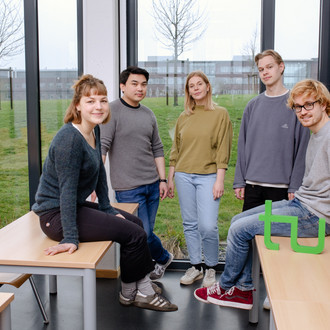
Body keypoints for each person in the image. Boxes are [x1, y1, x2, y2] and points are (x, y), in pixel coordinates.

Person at [32, 74, 177, 312]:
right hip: (55, 216)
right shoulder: (69, 139)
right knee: (134, 234)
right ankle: (142, 291)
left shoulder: (94, 130)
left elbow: (100, 171)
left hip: (72, 206)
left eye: (102, 100)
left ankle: (132, 290)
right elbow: (67, 192)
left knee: (136, 223)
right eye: (90, 101)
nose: (98, 106)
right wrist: (70, 237)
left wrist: (107, 208)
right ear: (77, 105)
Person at [194, 79, 330, 310]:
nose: (302, 112)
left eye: (309, 105)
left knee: (239, 229)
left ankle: (228, 288)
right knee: (238, 220)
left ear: (323, 104)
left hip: (316, 216)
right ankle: (244, 287)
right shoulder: (315, 133)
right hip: (303, 204)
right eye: (297, 107)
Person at [99, 66, 173, 281]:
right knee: (142, 234)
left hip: (152, 184)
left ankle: (152, 267)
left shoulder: (148, 114)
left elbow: (157, 148)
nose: (140, 88)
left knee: (146, 234)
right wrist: (96, 183)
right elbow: (102, 149)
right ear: (123, 86)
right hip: (128, 188)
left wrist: (162, 179)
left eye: (143, 84)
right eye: (134, 84)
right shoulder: (111, 112)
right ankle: (159, 261)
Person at [168, 71, 233, 288]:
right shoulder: (184, 116)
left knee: (208, 226)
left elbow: (223, 149)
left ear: (207, 87)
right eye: (191, 86)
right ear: (188, 91)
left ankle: (211, 267)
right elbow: (176, 149)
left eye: (199, 84)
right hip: (183, 175)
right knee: (190, 223)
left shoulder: (220, 114)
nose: (195, 88)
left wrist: (219, 180)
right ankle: (195, 266)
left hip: (209, 176)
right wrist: (170, 177)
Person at [234, 50, 310, 212]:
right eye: (261, 69)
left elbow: (302, 150)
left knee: (277, 236)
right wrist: (239, 181)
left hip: (282, 188)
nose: (265, 72)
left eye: (269, 67)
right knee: (247, 235)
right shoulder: (252, 106)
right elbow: (242, 146)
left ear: (281, 67)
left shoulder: (296, 106)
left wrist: (295, 185)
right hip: (252, 186)